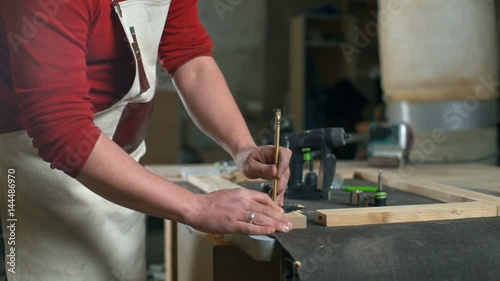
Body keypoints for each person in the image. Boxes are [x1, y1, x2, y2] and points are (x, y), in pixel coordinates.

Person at [0, 0, 292, 280]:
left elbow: (189, 57)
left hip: (118, 172)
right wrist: (197, 207)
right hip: (36, 174)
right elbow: (62, 132)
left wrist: (243, 147)